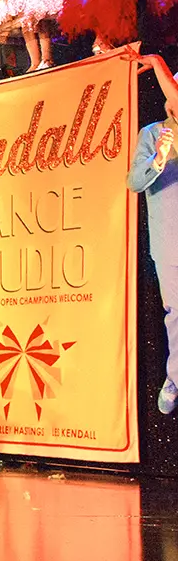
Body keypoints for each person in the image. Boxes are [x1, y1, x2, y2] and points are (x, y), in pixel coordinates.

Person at [126, 56, 178, 413]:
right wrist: (159, 159)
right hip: (169, 242)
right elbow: (133, 182)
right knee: (175, 313)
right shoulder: (152, 134)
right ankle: (174, 378)